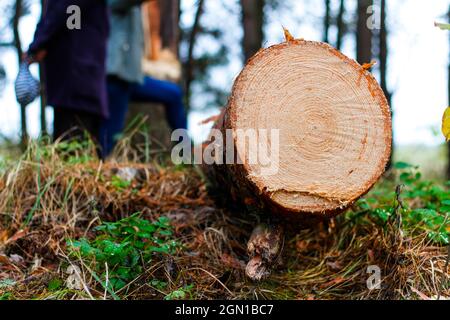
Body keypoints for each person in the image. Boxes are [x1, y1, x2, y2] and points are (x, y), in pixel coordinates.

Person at [100, 0, 188, 157]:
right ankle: (98, 166)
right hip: (115, 77)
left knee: (173, 94)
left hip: (131, 77)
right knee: (110, 134)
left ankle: (185, 154)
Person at [27, 0, 110, 143]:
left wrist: (38, 44)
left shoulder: (73, 15)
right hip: (82, 76)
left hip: (75, 80)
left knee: (72, 140)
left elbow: (67, 10)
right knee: (80, 142)